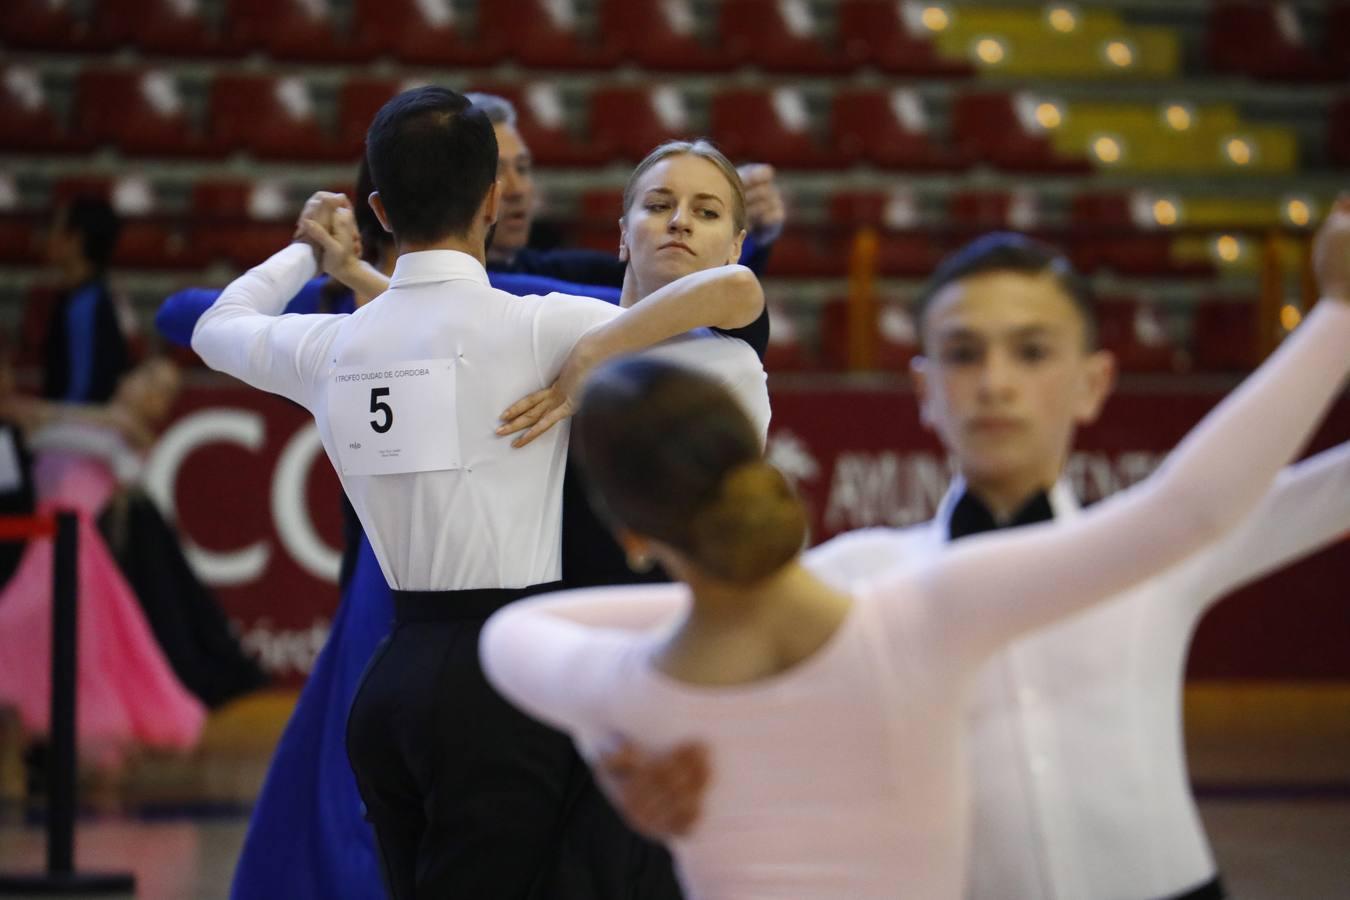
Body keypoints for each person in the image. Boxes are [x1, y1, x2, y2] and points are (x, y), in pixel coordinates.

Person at [479, 223, 1350, 897]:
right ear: (925, 389)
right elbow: (684, 645)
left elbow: (1263, 498)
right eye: (966, 354)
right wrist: (623, 749)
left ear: (1093, 381)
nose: (997, 383)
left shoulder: (1161, 546)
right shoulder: (858, 578)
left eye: (1033, 351)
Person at [189, 85, 764, 899]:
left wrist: (308, 255)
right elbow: (737, 295)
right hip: (506, 687)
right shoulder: (537, 327)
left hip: (389, 679)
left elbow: (215, 326)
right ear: (495, 199)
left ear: (381, 207)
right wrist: (592, 354)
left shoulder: (332, 345)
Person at [0, 357, 209, 776]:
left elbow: (116, 465)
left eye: (165, 391)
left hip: (71, 553)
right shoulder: (101, 423)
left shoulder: (129, 438)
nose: (152, 392)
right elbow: (36, 425)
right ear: (127, 377)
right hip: (40, 544)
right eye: (149, 377)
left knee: (46, 641)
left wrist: (97, 425)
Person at [40, 195, 135, 404]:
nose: (47, 237)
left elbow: (79, 393)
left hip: (80, 427)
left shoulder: (85, 305)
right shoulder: (82, 297)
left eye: (55, 229)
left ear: (76, 240)